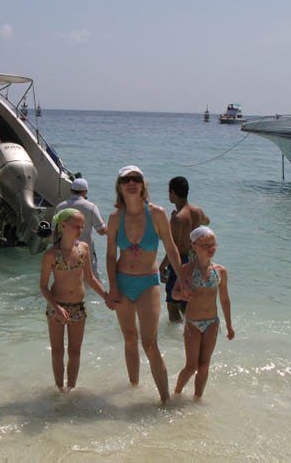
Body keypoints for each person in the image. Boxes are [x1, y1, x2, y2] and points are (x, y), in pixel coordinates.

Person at [105, 165, 187, 403]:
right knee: (130, 338)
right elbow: (111, 255)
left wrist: (182, 281)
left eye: (136, 179)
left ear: (143, 184)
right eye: (126, 179)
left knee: (149, 343)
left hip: (148, 284)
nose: (131, 182)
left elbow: (171, 249)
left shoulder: (158, 214)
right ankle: (133, 390)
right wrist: (112, 287)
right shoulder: (114, 218)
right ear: (119, 187)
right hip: (122, 282)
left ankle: (165, 401)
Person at [40, 208, 108, 392]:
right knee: (57, 351)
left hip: (79, 306)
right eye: (76, 226)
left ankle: (70, 389)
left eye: (82, 227)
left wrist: (106, 297)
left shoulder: (83, 248)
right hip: (57, 307)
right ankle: (59, 388)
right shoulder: (51, 254)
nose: (80, 230)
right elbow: (44, 287)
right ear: (63, 226)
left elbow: (90, 278)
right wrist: (55, 307)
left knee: (75, 352)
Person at [173, 226, 234, 399]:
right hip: (193, 323)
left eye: (213, 244)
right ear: (195, 246)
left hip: (212, 323)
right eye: (206, 245)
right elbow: (174, 293)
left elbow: (225, 299)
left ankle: (197, 399)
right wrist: (183, 295)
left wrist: (229, 325)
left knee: (204, 366)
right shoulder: (186, 270)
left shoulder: (220, 271)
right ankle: (176, 393)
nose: (211, 248)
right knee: (191, 366)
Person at [160, 176, 211, 322]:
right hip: (195, 261)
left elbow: (173, 248)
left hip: (180, 262)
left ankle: (175, 339)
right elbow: (207, 221)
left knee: (172, 303)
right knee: (186, 301)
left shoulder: (177, 218)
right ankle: (189, 330)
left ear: (173, 193)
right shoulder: (197, 211)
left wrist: (161, 267)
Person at [54, 178, 107, 279]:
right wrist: (103, 222)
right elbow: (102, 231)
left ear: (71, 190)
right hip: (86, 250)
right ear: (85, 191)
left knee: (67, 280)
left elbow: (54, 232)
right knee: (90, 279)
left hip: (64, 251)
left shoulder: (60, 207)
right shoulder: (91, 207)